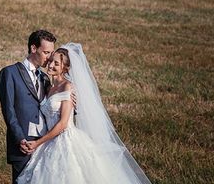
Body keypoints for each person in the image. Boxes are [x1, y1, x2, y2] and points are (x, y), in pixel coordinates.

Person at [16, 44, 151, 184]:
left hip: (65, 140)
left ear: (65, 68)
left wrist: (38, 142)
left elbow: (63, 123)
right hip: (50, 140)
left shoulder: (67, 87)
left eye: (56, 63)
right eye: (51, 61)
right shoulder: (49, 87)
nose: (50, 65)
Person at [0, 30, 57, 184]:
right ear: (33, 48)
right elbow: (8, 111)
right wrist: (20, 140)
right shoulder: (9, 73)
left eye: (51, 53)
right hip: (22, 147)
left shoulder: (44, 78)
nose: (49, 58)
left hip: (44, 145)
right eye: (46, 52)